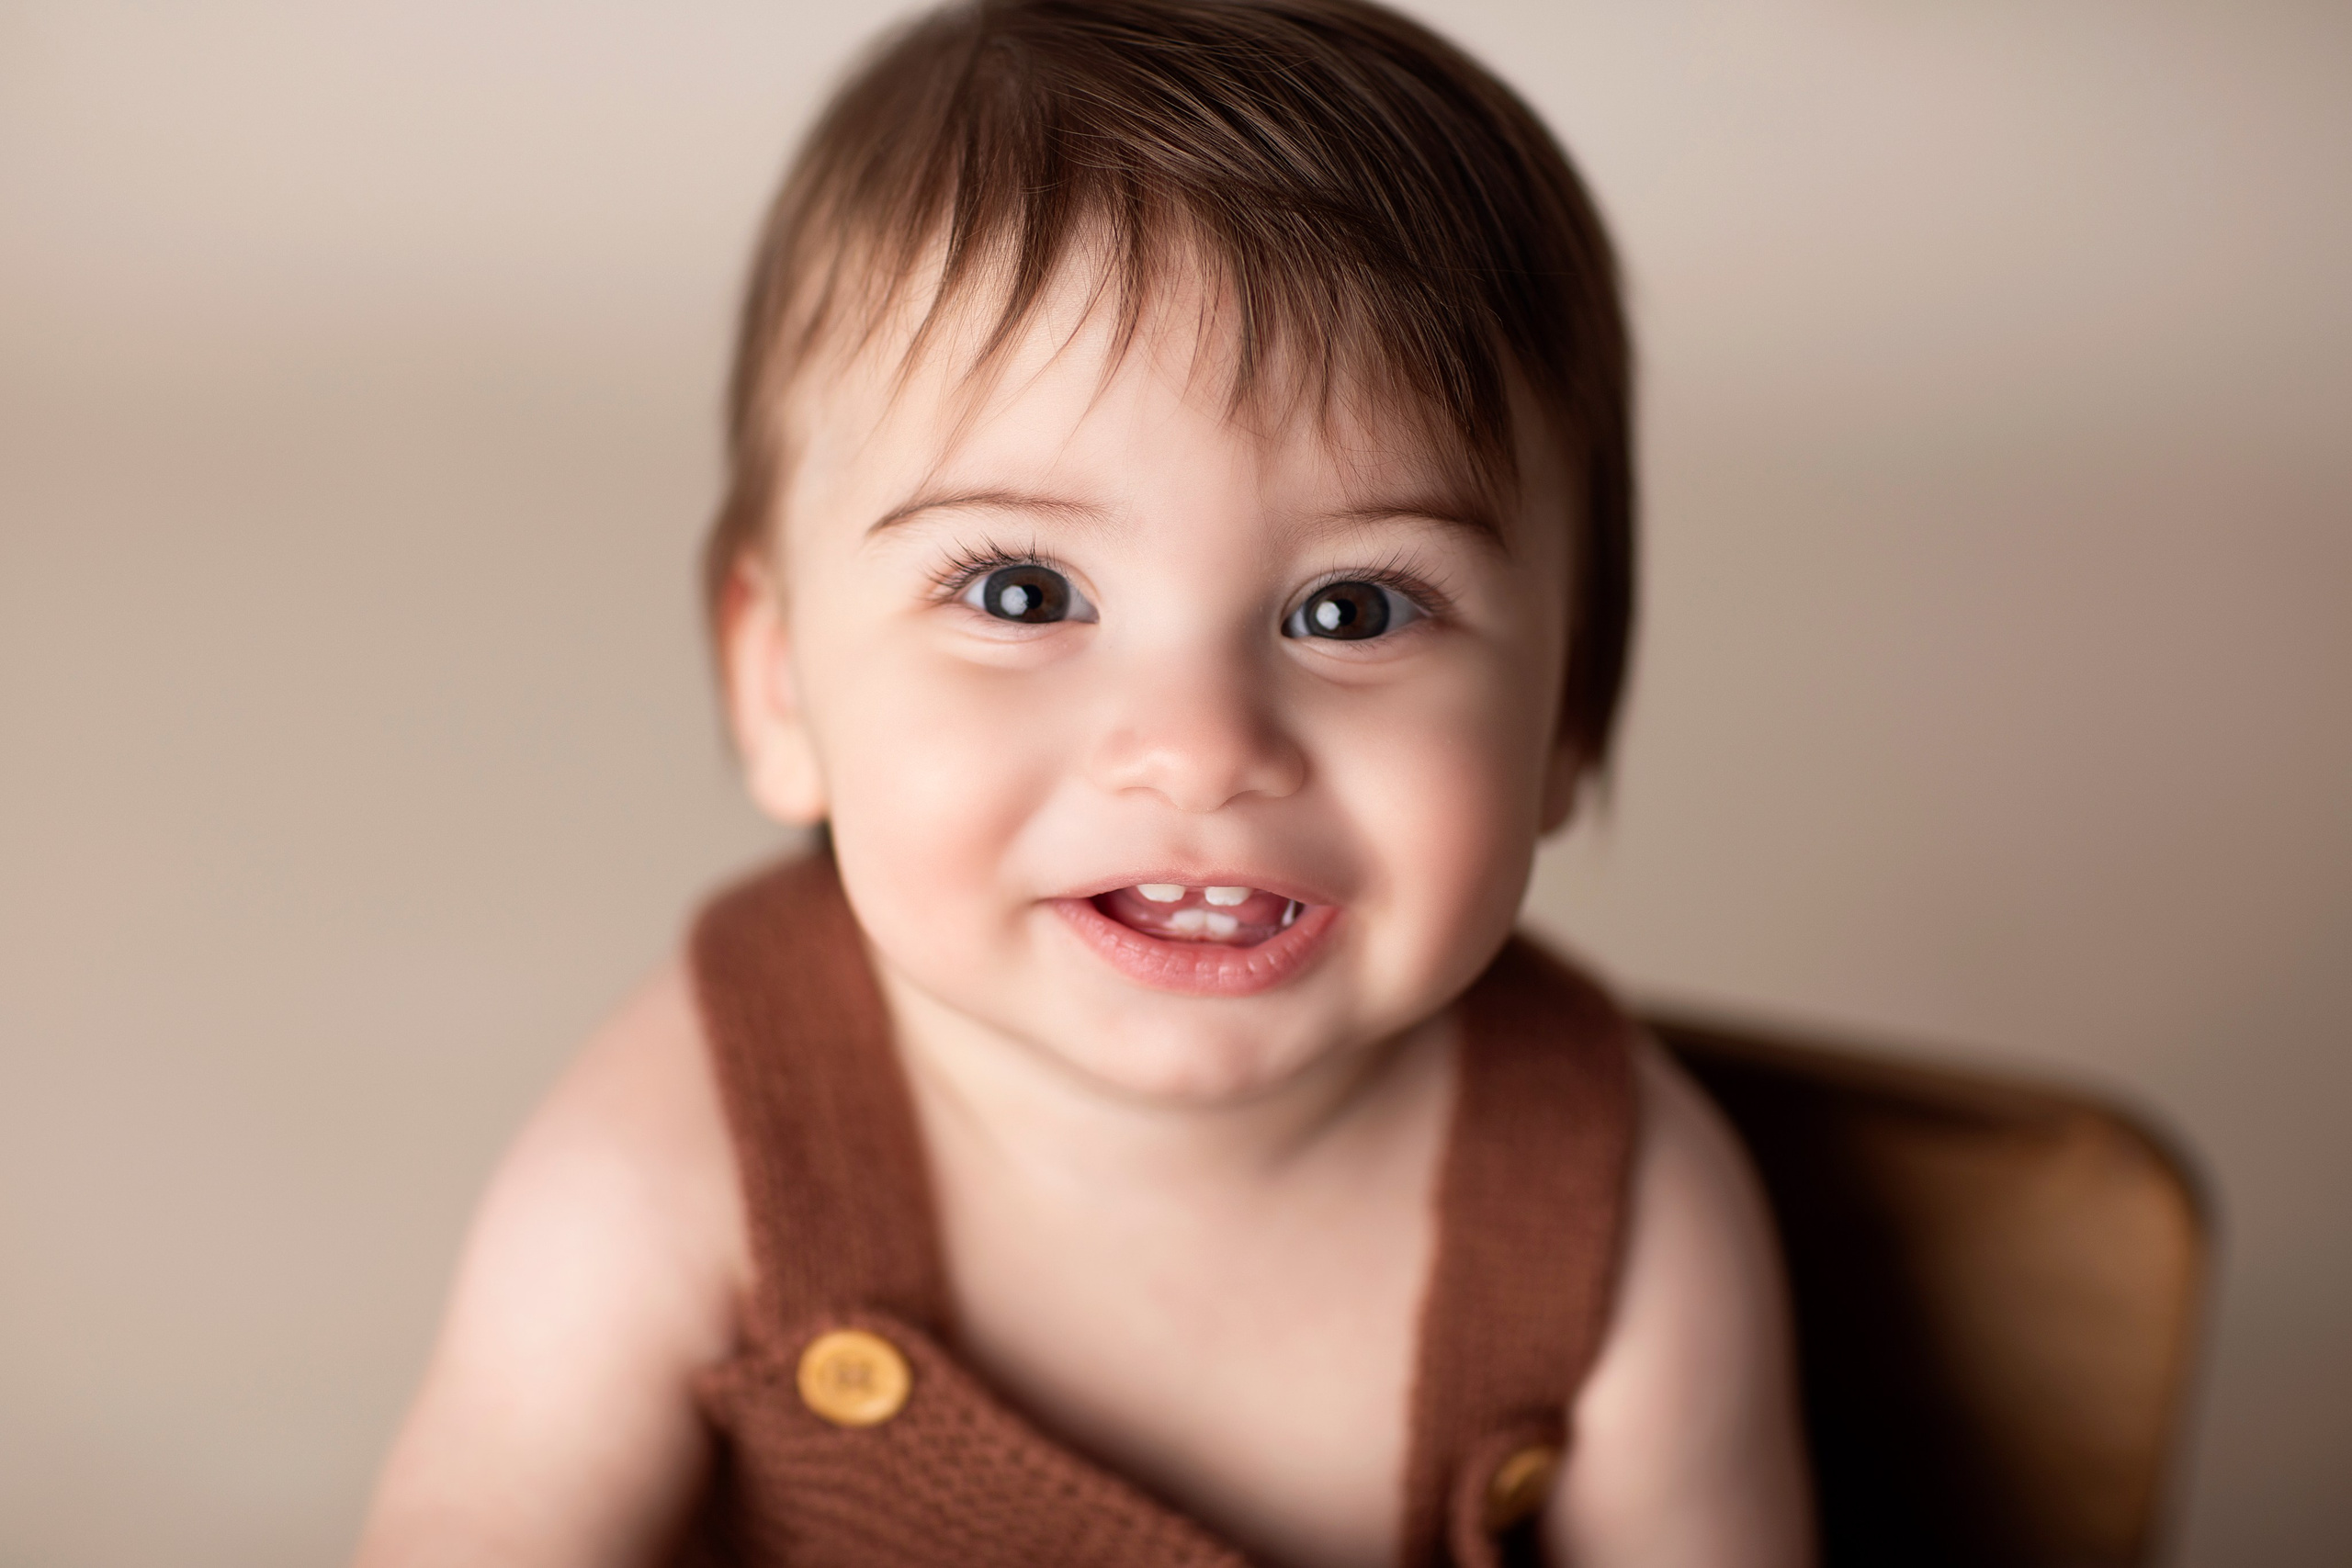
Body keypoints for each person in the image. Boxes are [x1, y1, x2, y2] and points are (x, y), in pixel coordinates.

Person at [352, 2, 1812, 1563]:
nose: (1197, 745)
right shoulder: (688, 1158)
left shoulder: (1618, 1211)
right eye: (1027, 594)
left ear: (1568, 719)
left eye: (1355, 609)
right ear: (781, 684)